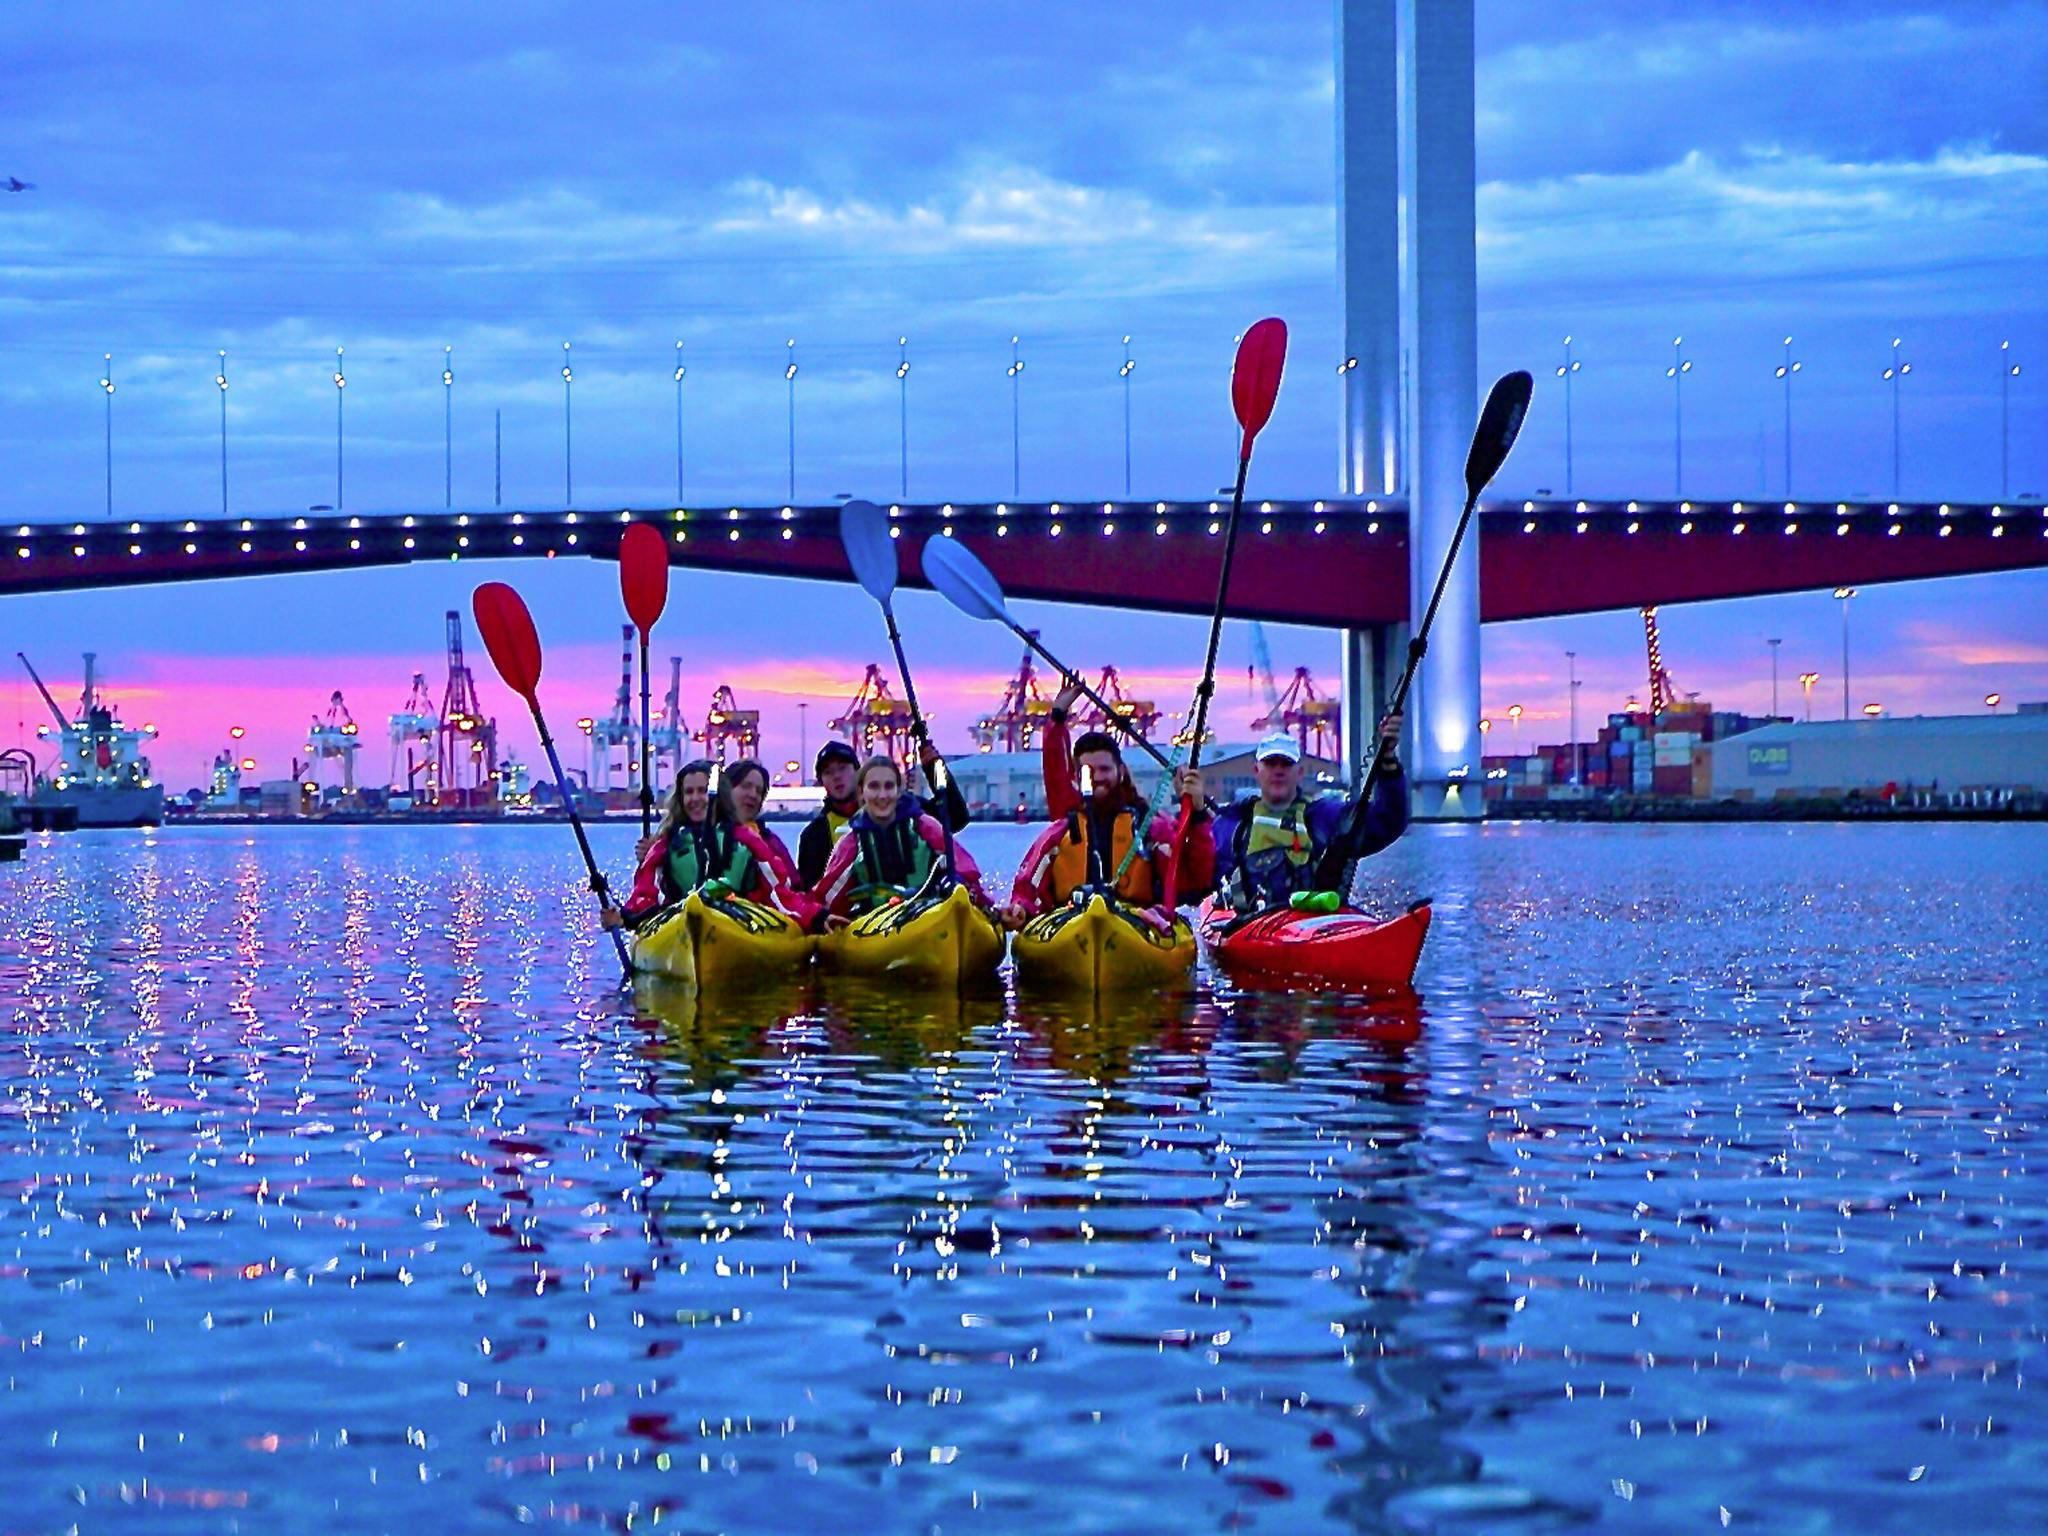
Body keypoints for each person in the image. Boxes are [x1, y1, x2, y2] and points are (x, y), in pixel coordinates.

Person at [1000, 677, 1210, 927]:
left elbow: (1195, 879)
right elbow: (1028, 886)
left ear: (1120, 771)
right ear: (1077, 777)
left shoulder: (1150, 827)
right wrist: (1021, 909)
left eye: (1104, 769)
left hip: (1136, 924)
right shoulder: (1062, 830)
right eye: (1089, 771)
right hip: (1070, 924)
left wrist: (1197, 814)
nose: (1098, 778)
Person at [1210, 714, 1406, 911]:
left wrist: (1387, 760)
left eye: (1286, 764)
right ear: (1256, 771)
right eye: (1271, 763)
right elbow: (1200, 878)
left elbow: (1388, 821)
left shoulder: (1324, 818)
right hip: (1252, 927)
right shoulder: (1231, 824)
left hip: (1316, 924)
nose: (1278, 771)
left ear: (1300, 773)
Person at [611, 757, 818, 927]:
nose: (695, 799)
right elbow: (647, 892)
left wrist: (816, 917)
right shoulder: (666, 845)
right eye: (689, 792)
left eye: (702, 791)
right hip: (680, 922)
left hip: (739, 920)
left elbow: (780, 890)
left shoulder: (749, 840)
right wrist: (625, 917)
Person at [812, 754, 990, 927]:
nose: (882, 795)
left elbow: (966, 871)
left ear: (899, 790)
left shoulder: (926, 827)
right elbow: (828, 898)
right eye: (874, 787)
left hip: (930, 917)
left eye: (889, 786)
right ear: (861, 792)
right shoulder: (851, 843)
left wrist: (973, 897)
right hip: (876, 925)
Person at [795, 737, 969, 889]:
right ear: (821, 781)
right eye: (828, 772)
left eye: (842, 768)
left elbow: (956, 817)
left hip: (920, 906)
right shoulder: (814, 836)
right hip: (859, 917)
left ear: (858, 772)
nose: (837, 776)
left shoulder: (907, 811)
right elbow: (811, 891)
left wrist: (934, 768)